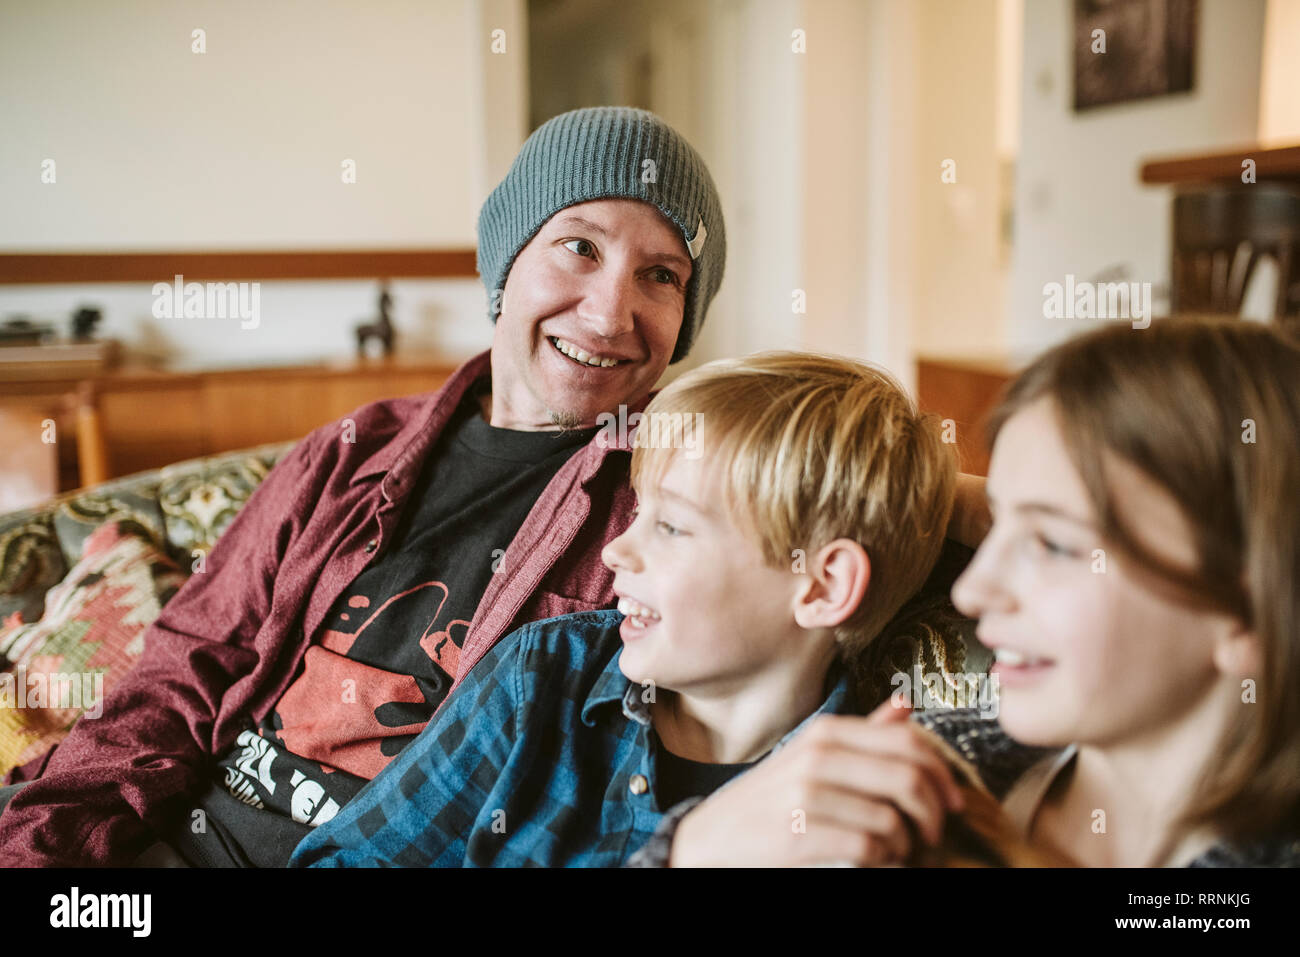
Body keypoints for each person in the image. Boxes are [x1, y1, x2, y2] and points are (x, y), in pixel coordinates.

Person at [0, 106, 727, 866]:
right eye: (580, 246)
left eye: (662, 275)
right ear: (507, 257)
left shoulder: (668, 503)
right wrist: (48, 848)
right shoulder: (353, 449)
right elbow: (183, 667)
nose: (612, 312)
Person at [648, 317, 1300, 867]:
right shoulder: (915, 773)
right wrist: (692, 849)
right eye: (999, 523)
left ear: (1245, 610)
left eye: (1053, 543)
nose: (973, 590)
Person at [287, 351, 963, 866]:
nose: (615, 551)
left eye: (671, 526)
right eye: (639, 511)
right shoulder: (539, 680)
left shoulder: (860, 804)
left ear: (820, 585)